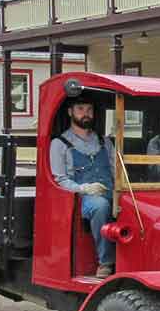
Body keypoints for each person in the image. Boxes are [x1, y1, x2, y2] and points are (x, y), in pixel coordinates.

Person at [49, 96, 117, 277]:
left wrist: (121, 191)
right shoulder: (59, 144)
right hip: (83, 198)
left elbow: (115, 171)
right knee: (100, 206)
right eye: (80, 109)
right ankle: (106, 263)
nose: (85, 114)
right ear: (70, 112)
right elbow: (60, 179)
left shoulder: (105, 142)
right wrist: (84, 188)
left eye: (89, 109)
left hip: (111, 191)